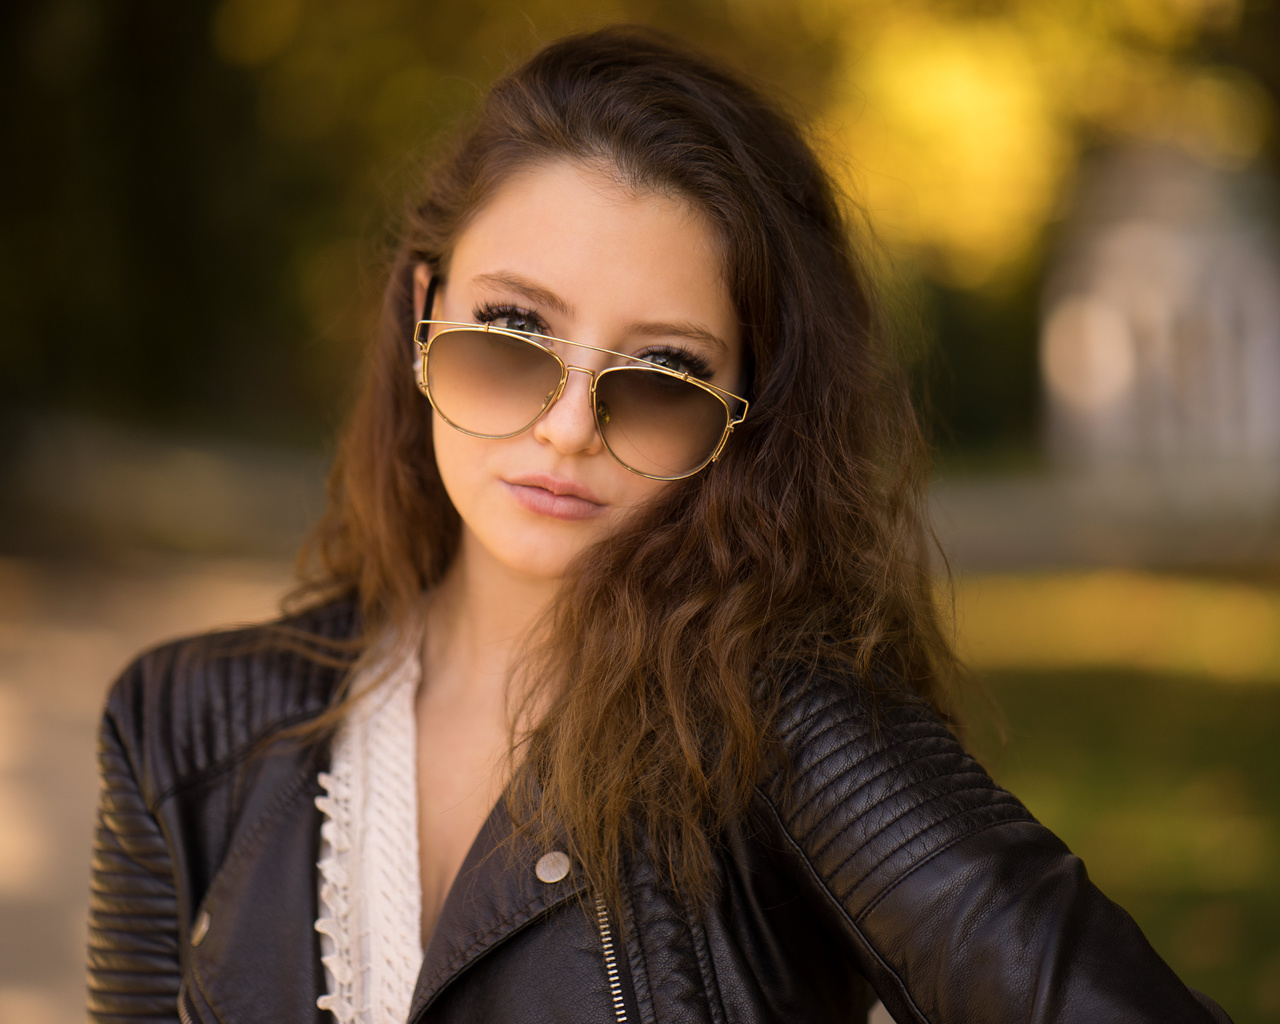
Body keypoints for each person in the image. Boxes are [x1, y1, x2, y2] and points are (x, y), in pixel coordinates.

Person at [86, 26, 1232, 1024]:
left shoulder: (789, 735)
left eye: (660, 374)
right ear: (425, 310)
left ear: (745, 417)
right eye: (512, 331)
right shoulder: (178, 734)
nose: (569, 428)